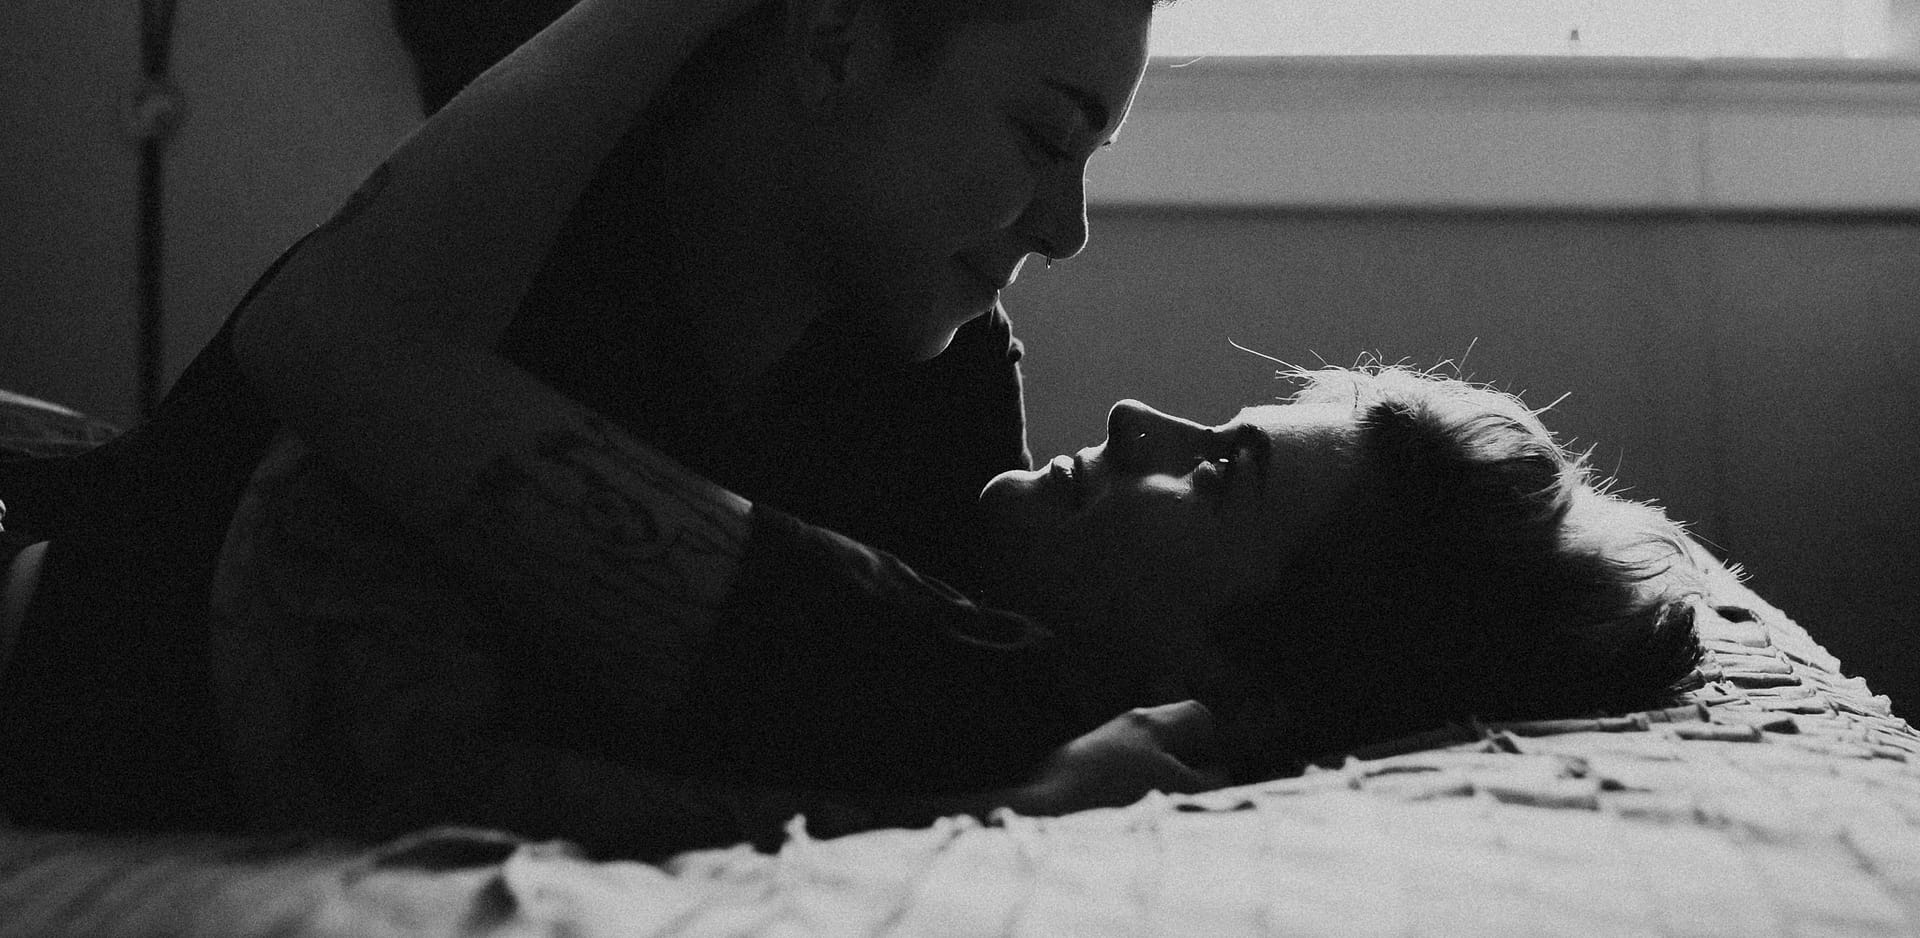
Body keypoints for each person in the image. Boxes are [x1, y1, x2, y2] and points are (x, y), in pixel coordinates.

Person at [0, 0, 1242, 832]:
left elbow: (913, 706)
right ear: (833, 41)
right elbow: (323, 367)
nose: (1066, 227)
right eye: (1045, 135)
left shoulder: (943, 376)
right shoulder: (510, 245)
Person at [210, 361, 1706, 856]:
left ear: (1243, 692)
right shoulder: (943, 505)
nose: (1137, 417)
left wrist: (1013, 809)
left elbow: (429, 770)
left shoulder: (944, 678)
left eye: (1217, 471)